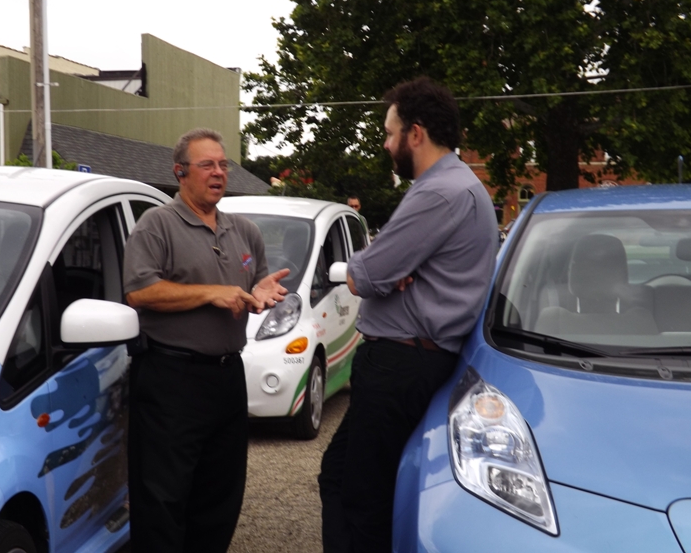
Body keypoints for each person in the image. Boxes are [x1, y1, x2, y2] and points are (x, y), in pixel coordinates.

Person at [318, 77, 498, 552]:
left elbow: (364, 275)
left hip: (399, 366)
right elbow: (382, 269)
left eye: (389, 132)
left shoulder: (438, 193)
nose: (385, 143)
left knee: (364, 499)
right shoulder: (456, 186)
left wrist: (380, 267)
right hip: (408, 361)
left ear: (415, 134)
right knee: (339, 476)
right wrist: (388, 266)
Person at [123, 128, 289, 552]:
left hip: (227, 376)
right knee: (163, 498)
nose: (218, 173)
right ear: (180, 172)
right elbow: (140, 292)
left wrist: (261, 293)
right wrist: (211, 293)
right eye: (207, 165)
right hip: (170, 378)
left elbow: (252, 285)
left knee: (220, 495)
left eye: (223, 165)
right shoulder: (157, 225)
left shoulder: (244, 231)